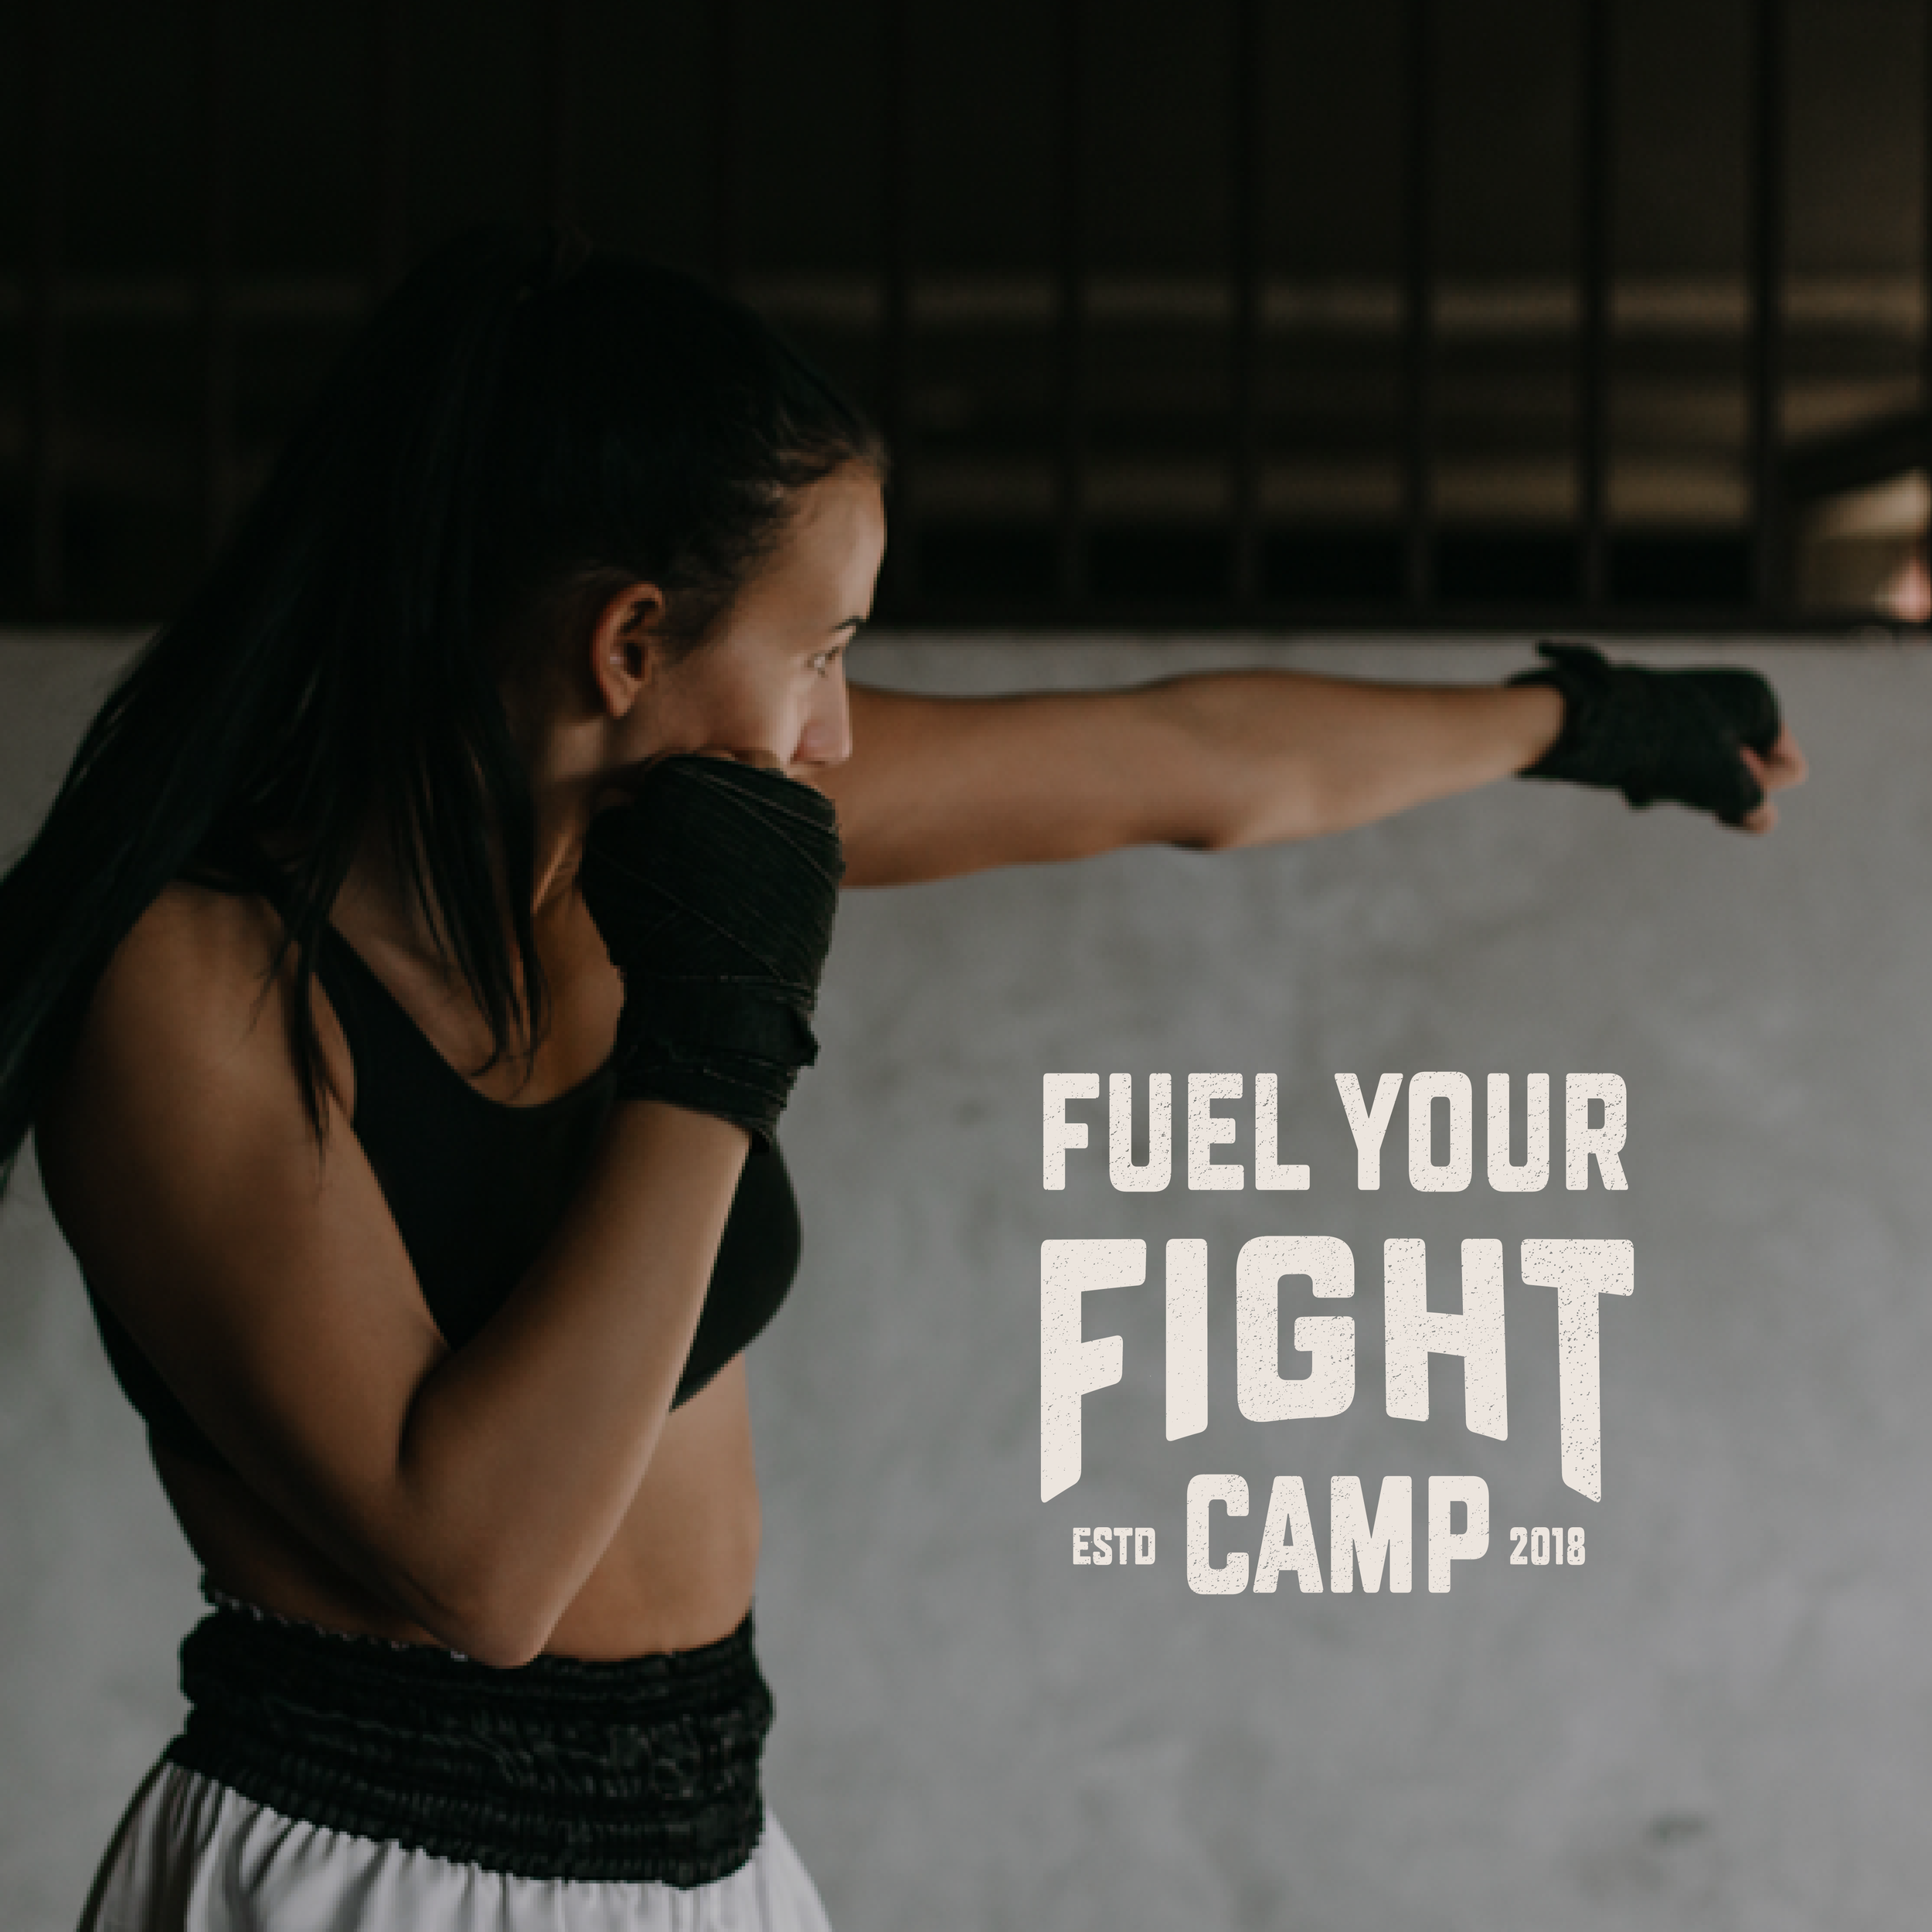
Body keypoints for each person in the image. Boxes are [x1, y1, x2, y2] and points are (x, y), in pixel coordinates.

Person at [0, 229, 1804, 1932]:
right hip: (378, 1869)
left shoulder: (659, 854)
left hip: (707, 1853)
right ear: (629, 642)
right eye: (821, 651)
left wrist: (1583, 723)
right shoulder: (198, 979)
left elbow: (1191, 763)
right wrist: (714, 1047)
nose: (838, 729)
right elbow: (482, 1570)